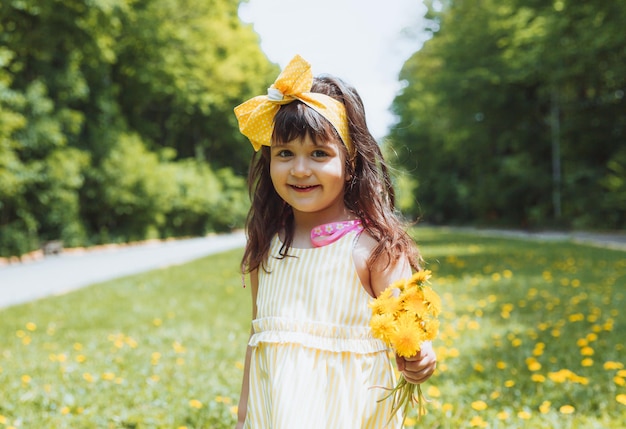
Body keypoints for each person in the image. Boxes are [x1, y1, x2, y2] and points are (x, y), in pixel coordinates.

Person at [233, 55, 437, 428]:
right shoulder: (268, 248)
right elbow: (257, 339)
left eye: (319, 154)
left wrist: (420, 356)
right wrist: (244, 416)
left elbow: (410, 329)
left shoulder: (374, 249)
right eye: (284, 154)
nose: (299, 169)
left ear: (351, 160)